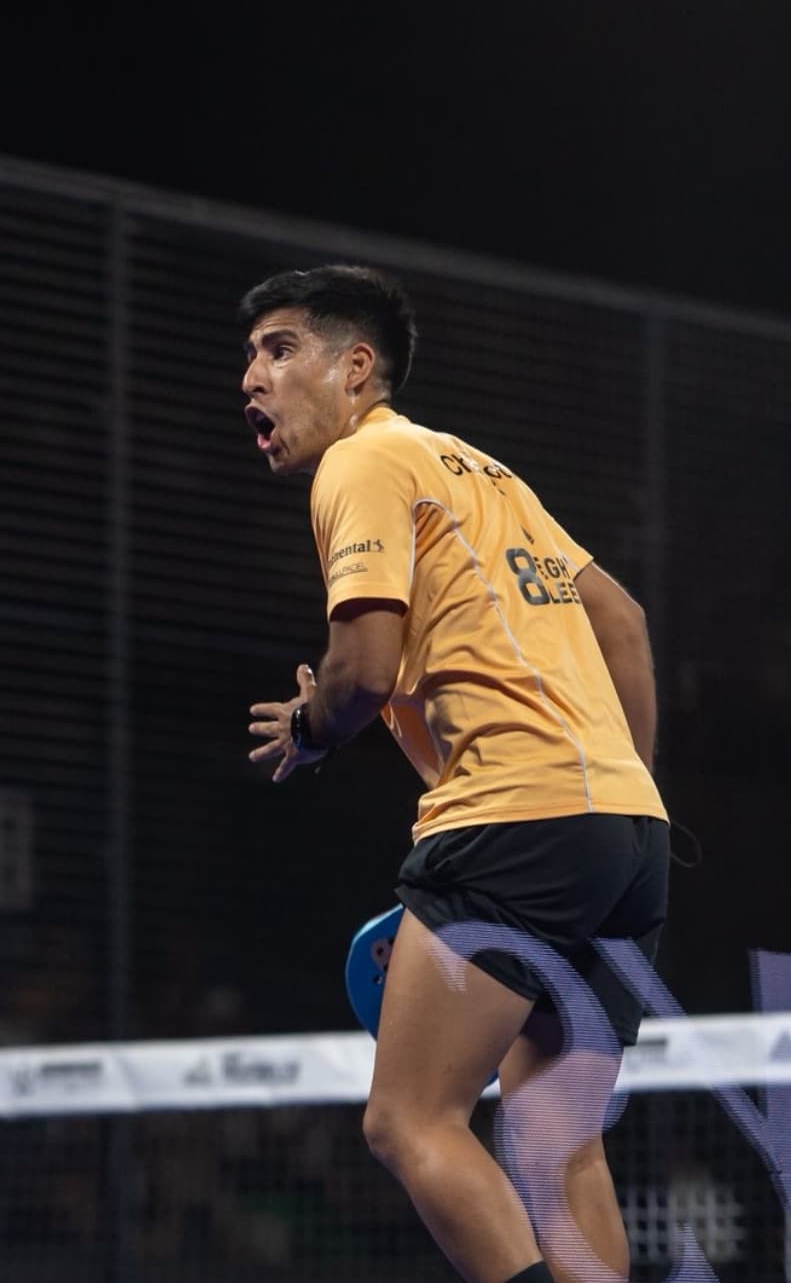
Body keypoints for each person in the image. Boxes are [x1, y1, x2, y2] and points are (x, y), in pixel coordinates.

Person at [239, 264, 665, 1283]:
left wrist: (310, 723)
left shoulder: (365, 464)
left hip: (512, 819)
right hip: (627, 837)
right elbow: (624, 623)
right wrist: (615, 796)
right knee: (557, 1137)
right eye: (248, 357)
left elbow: (362, 671)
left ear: (357, 369)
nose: (252, 378)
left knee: (409, 1120)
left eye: (280, 350)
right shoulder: (486, 474)